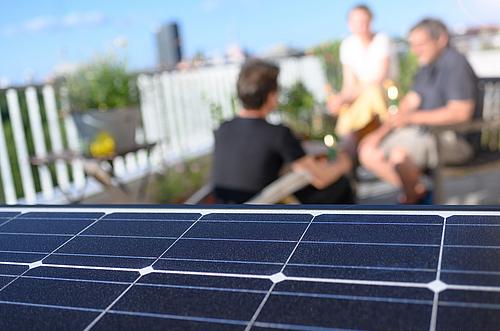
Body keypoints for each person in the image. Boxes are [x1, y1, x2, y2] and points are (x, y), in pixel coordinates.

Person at [358, 18, 481, 204]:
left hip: (455, 139)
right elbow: (410, 102)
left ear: (441, 39)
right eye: (412, 45)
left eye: (421, 44)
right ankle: (418, 191)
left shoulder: (455, 64)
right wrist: (379, 133)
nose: (415, 51)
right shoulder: (426, 67)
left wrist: (411, 118)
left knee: (399, 156)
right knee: (367, 151)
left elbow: (460, 113)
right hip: (425, 134)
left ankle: (413, 203)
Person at [212, 59, 355, 204]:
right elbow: (321, 179)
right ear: (271, 95)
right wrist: (344, 162)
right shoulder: (277, 133)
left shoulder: (222, 129)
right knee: (340, 184)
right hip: (261, 214)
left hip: (225, 213)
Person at [326, 4, 398, 137]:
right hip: (361, 95)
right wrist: (341, 99)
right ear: (349, 24)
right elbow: (349, 85)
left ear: (371, 21)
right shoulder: (347, 45)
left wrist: (347, 96)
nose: (361, 25)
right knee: (346, 110)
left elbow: (379, 80)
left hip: (383, 93)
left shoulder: (382, 39)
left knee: (373, 94)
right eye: (357, 22)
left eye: (364, 21)